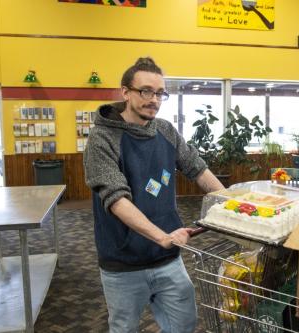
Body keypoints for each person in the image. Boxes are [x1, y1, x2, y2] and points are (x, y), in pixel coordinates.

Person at [84, 56, 224, 333]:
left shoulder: (166, 131)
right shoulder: (102, 139)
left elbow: (197, 169)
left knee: (183, 324)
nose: (154, 100)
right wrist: (163, 237)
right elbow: (116, 199)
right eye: (146, 91)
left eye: (160, 93)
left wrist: (232, 204)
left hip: (168, 259)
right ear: (125, 92)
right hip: (123, 262)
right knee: (124, 328)